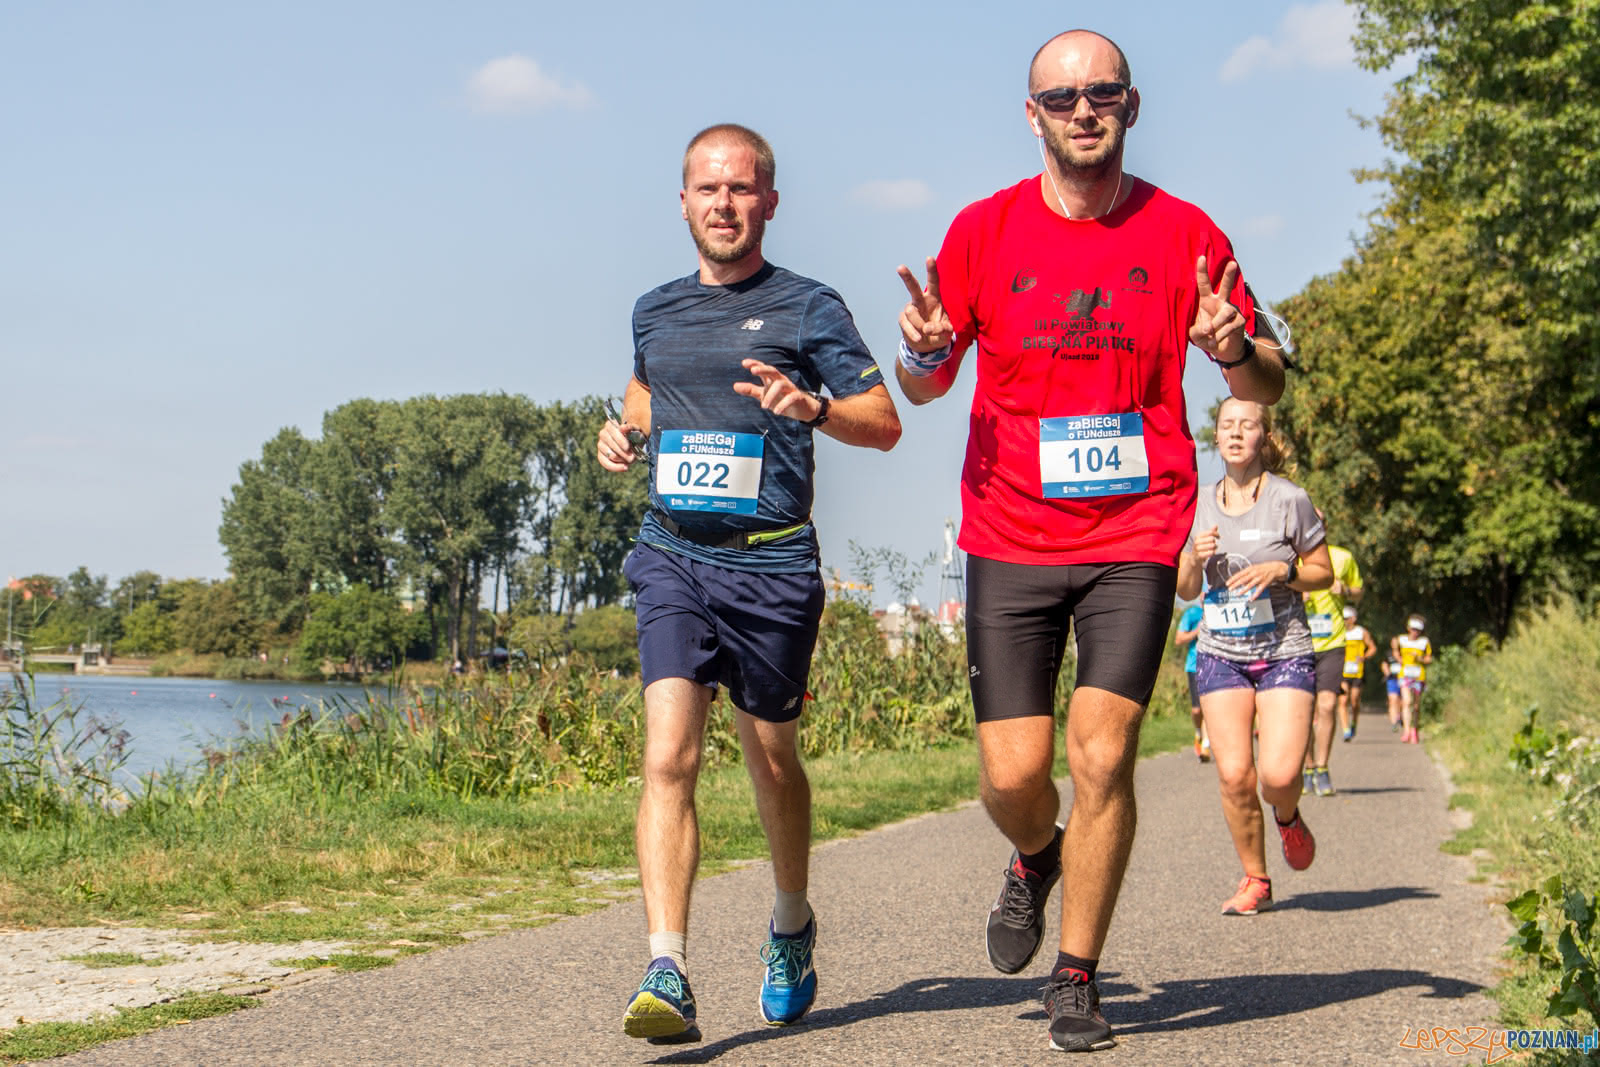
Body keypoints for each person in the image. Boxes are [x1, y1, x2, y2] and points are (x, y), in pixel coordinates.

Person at [893, 29, 1286, 1053]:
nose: (1081, 108)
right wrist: (920, 353)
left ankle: (1077, 971)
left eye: (1100, 91)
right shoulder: (983, 230)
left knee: (1102, 751)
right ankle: (1035, 853)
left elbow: (1265, 379)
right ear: (1031, 115)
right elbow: (926, 382)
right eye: (1060, 95)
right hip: (1009, 527)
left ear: (1131, 104)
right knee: (1012, 777)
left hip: (1136, 529)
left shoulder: (1186, 232)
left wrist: (1234, 344)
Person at [598, 123, 902, 1044]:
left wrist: (812, 407)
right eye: (707, 189)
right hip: (673, 554)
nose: (723, 204)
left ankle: (791, 923)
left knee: (772, 759)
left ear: (769, 202)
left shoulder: (810, 307)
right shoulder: (655, 309)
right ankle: (667, 964)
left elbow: (883, 422)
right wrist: (621, 437)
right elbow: (646, 398)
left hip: (772, 563)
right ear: (682, 202)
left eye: (742, 189)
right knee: (668, 756)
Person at [1176, 398, 1333, 917]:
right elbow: (1184, 589)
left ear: (1265, 437)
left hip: (1283, 648)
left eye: (1248, 425)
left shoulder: (1290, 500)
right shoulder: (1197, 504)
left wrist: (1281, 572)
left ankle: (1287, 816)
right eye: (1227, 426)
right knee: (1234, 774)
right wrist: (1194, 559)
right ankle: (1256, 879)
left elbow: (1323, 572)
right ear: (1215, 437)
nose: (1237, 433)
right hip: (1222, 653)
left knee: (1279, 776)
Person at [1299, 520, 1363, 796]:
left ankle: (1323, 768)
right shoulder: (1289, 557)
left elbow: (1359, 591)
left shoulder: (1342, 557)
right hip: (1298, 643)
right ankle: (1308, 767)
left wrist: (1346, 591)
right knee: (1303, 712)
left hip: (1333, 642)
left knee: (1327, 706)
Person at [1174, 602, 1209, 761]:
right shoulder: (1192, 613)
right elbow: (1179, 639)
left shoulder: (1217, 608)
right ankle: (1198, 733)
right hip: (1194, 666)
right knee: (1197, 710)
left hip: (1213, 665)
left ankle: (1206, 747)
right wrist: (1197, 631)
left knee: (1208, 707)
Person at [1392, 614, 1433, 744]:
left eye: (1418, 630)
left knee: (1416, 706)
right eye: (1413, 629)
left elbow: (1429, 658)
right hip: (1405, 675)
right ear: (1408, 628)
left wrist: (1420, 659)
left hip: (1418, 676)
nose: (1415, 632)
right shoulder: (1402, 640)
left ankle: (1415, 730)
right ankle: (1406, 731)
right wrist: (1398, 658)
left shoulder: (1424, 642)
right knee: (1406, 702)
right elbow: (1395, 651)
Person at [1338, 604, 1377, 741]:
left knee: (1354, 701)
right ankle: (1346, 729)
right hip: (1342, 671)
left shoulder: (1362, 632)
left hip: (1357, 672)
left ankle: (1354, 723)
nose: (1343, 620)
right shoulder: (1338, 631)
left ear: (1353, 619)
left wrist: (1364, 657)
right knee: (1343, 701)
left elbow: (1372, 648)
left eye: (1346, 618)